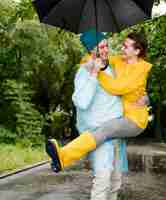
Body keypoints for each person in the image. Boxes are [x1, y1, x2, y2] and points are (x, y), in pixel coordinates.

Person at [46, 30, 152, 174]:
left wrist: (98, 72)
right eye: (122, 45)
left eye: (126, 46)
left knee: (107, 132)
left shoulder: (140, 69)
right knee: (109, 179)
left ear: (137, 50)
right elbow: (100, 60)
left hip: (134, 120)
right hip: (113, 122)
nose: (121, 49)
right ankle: (63, 157)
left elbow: (117, 88)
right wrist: (89, 63)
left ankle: (63, 156)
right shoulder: (119, 61)